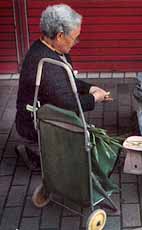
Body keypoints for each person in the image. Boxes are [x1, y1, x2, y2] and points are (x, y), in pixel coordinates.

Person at [15, 4, 112, 170]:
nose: (76, 42)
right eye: (75, 37)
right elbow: (68, 104)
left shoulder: (52, 48)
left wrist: (90, 88)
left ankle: (45, 150)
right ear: (60, 35)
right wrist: (95, 98)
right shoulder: (46, 63)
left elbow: (68, 80)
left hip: (48, 108)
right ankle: (35, 151)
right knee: (77, 160)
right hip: (33, 123)